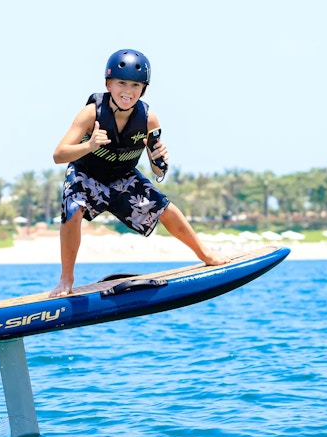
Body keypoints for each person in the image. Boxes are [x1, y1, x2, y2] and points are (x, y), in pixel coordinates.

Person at [49, 49, 230, 297]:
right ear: (108, 84)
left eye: (135, 85)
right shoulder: (91, 113)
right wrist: (89, 145)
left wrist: (160, 161)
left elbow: (157, 170)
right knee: (73, 210)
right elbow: (59, 154)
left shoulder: (148, 119)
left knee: (165, 208)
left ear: (143, 89)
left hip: (123, 176)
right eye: (121, 83)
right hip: (86, 174)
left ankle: (205, 254)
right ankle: (66, 279)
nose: (128, 90)